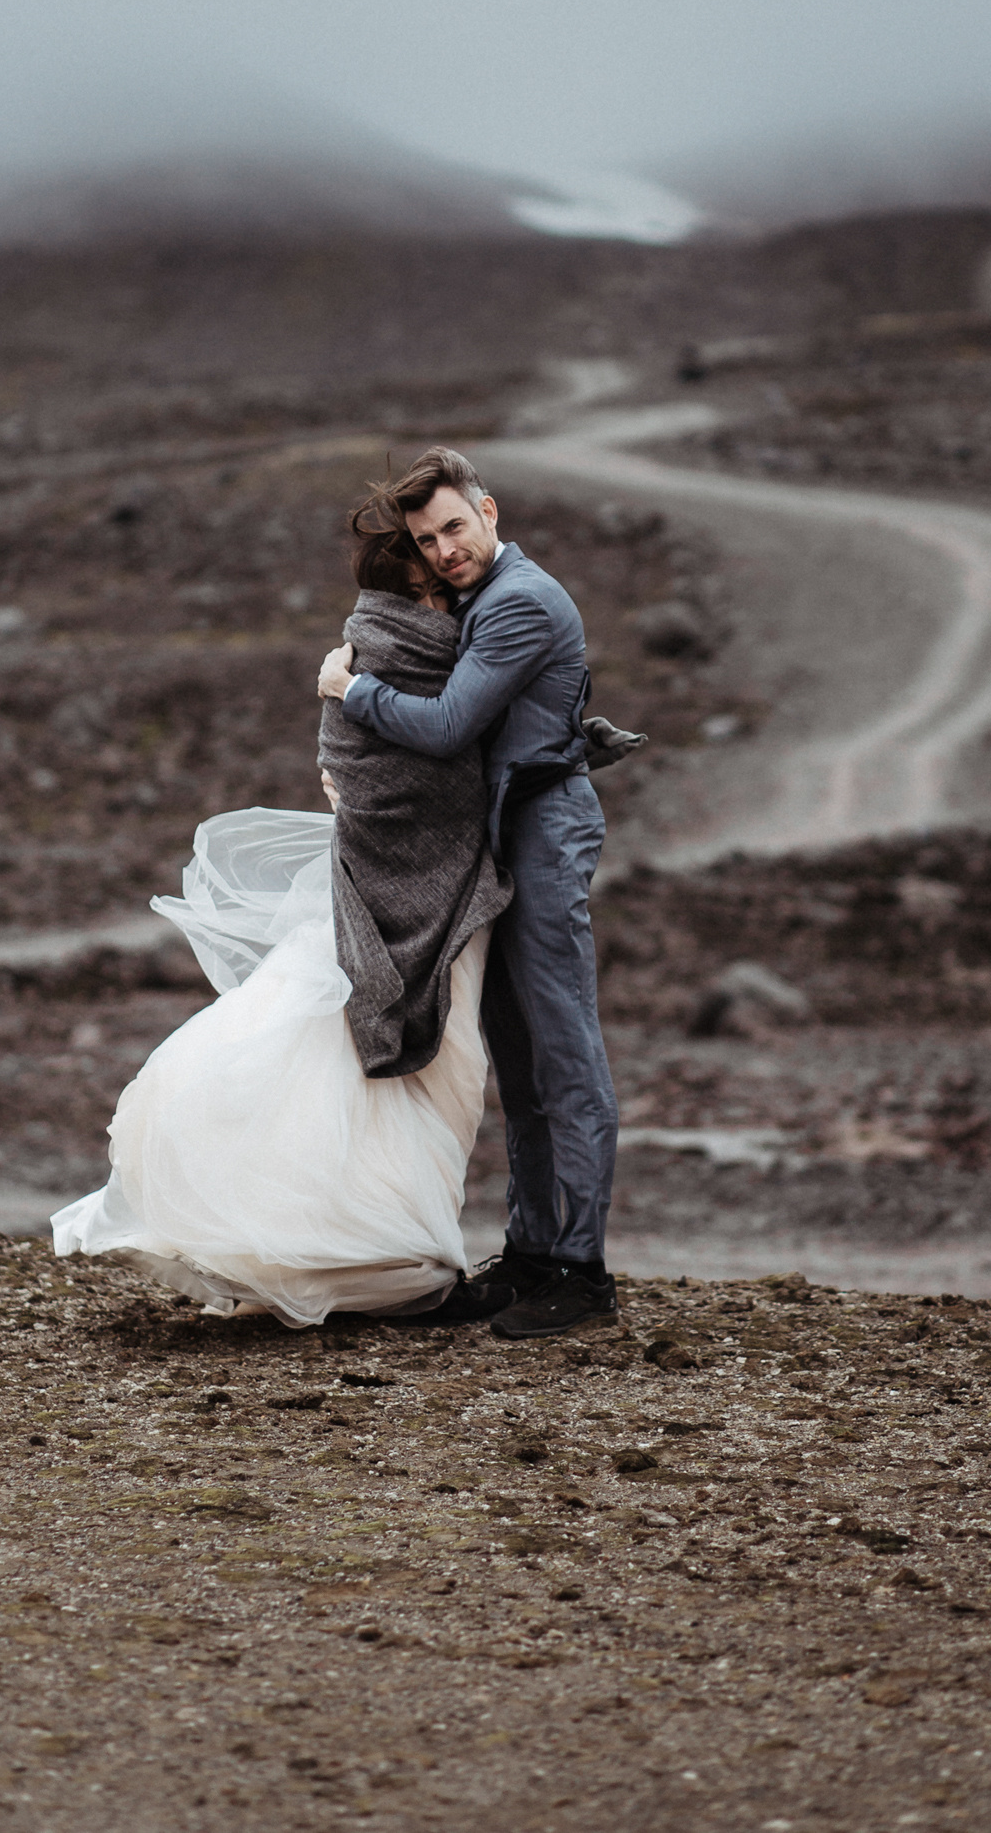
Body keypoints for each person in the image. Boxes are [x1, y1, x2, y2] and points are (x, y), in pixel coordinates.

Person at [50, 491, 510, 1326]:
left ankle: (378, 1252)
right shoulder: (416, 647)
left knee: (363, 1062)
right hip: (416, 886)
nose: (446, 566)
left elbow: (399, 755)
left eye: (448, 542)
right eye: (426, 559)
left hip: (396, 879)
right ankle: (400, 1258)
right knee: (433, 1069)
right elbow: (440, 747)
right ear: (409, 591)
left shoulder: (376, 648)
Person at [318, 445, 622, 1340]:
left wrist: (352, 689)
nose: (445, 547)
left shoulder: (520, 600)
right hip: (503, 837)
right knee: (519, 1058)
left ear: (488, 510)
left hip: (541, 833)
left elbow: (450, 726)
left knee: (562, 1055)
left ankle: (580, 1272)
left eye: (454, 525)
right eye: (428, 538)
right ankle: (533, 1254)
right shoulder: (479, 599)